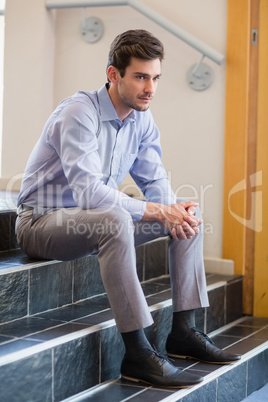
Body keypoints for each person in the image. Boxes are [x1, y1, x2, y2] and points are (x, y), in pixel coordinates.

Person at [16, 29, 240, 388]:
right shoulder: (79, 112)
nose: (149, 88)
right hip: (41, 223)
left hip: (94, 222)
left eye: (154, 78)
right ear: (113, 75)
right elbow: (89, 193)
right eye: (139, 77)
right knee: (118, 216)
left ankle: (184, 331)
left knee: (187, 213)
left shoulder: (141, 119)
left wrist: (173, 210)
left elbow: (155, 183)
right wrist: (156, 210)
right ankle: (137, 353)